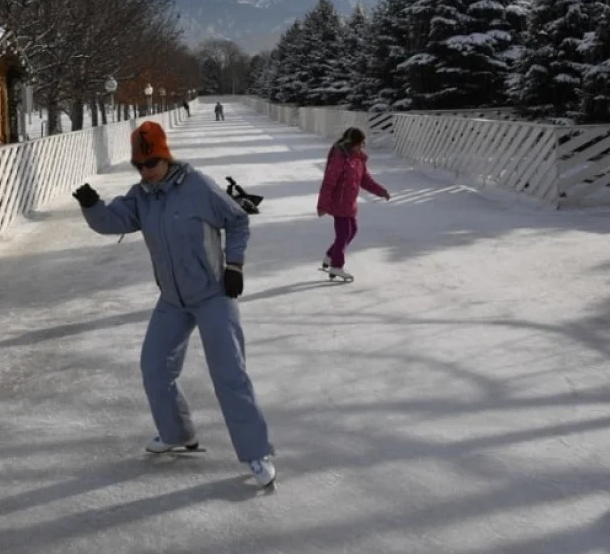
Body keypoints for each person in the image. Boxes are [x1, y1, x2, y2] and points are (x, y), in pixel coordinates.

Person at [72, 121, 276, 487]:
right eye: (140, 165)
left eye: (152, 162)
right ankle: (177, 433)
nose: (147, 171)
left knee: (229, 375)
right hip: (172, 299)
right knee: (154, 367)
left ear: (166, 157)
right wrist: (91, 206)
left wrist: (234, 265)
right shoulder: (141, 196)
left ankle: (256, 451)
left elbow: (238, 219)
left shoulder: (198, 186)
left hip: (213, 294)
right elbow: (113, 221)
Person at [316, 127, 390, 281]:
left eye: (363, 144)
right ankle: (337, 266)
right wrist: (322, 204)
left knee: (352, 231)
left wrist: (381, 191)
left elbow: (365, 180)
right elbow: (329, 182)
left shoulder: (357, 159)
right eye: (360, 143)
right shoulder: (339, 157)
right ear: (351, 142)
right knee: (343, 233)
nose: (362, 146)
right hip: (339, 201)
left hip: (350, 202)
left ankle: (330, 256)